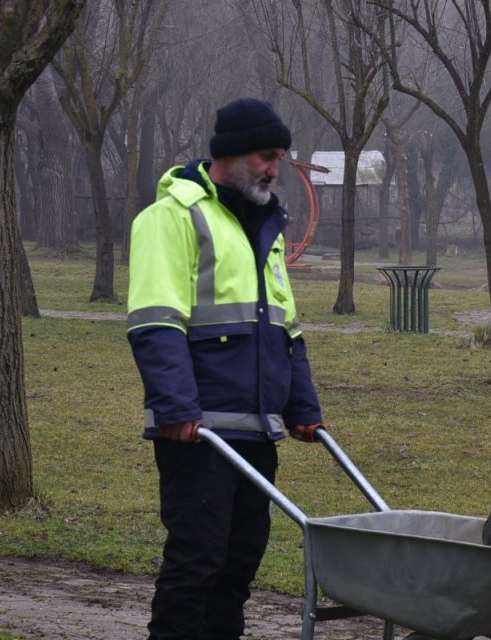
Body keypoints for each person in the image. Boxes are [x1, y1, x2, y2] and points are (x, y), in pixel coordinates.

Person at [127, 97, 323, 640]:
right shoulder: (172, 217)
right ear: (231, 154)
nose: (273, 169)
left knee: (238, 568)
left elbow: (288, 329)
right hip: (199, 433)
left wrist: (303, 409)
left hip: (258, 429)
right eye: (265, 156)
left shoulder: (267, 228)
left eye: (279, 157)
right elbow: (155, 322)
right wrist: (175, 408)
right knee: (197, 564)